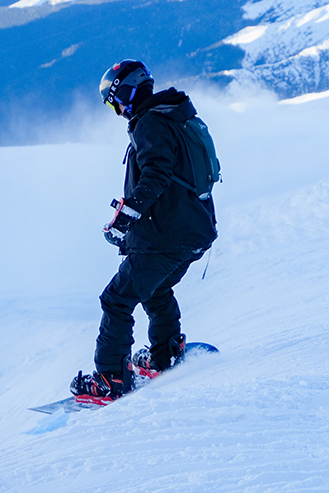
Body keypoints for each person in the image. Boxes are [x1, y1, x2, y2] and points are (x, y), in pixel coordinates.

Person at [70, 60, 218, 400]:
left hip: (168, 238)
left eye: (114, 99)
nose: (116, 109)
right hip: (193, 231)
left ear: (127, 92)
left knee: (116, 299)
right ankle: (165, 356)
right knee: (155, 290)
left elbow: (156, 176)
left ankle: (110, 381)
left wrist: (125, 219)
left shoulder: (150, 122)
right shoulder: (172, 116)